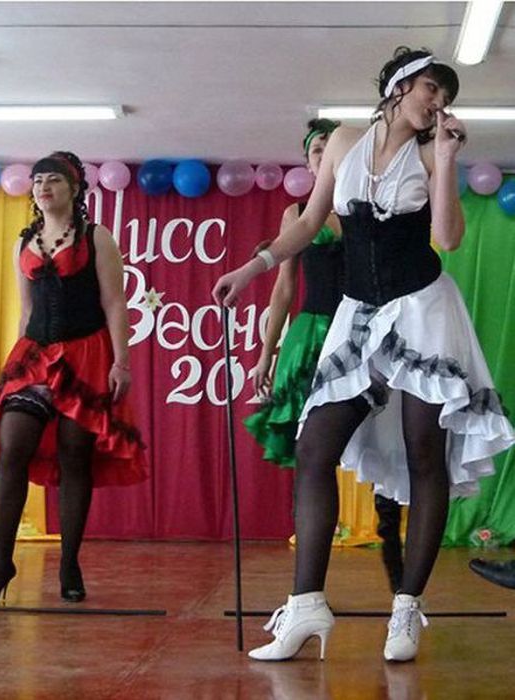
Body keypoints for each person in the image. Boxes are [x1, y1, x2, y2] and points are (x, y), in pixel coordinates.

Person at [213, 47, 515, 662]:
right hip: (357, 314)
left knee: (425, 452)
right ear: (398, 87)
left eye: (445, 96)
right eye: (430, 89)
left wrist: (447, 159)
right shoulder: (345, 142)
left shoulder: (430, 154)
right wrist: (252, 268)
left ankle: (406, 607)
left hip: (422, 310)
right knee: (313, 447)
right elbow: (309, 222)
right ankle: (306, 605)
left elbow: (448, 237)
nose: (437, 102)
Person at [0, 151, 147, 604]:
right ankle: (0, 564)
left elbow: (114, 303)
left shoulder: (96, 237)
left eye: (53, 180)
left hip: (85, 354)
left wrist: (121, 362)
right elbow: (27, 309)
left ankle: (69, 564)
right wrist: (14, 366)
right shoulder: (24, 242)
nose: (43, 187)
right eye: (37, 181)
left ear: (74, 188)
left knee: (74, 458)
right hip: (34, 356)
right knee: (12, 448)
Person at [245, 119, 404, 592]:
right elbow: (283, 288)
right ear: (311, 162)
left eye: (329, 147)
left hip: (364, 334)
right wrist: (266, 354)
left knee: (384, 439)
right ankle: (308, 585)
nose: (324, 154)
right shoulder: (297, 213)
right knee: (312, 455)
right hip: (312, 337)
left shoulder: (369, 206)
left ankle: (394, 559)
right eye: (316, 149)